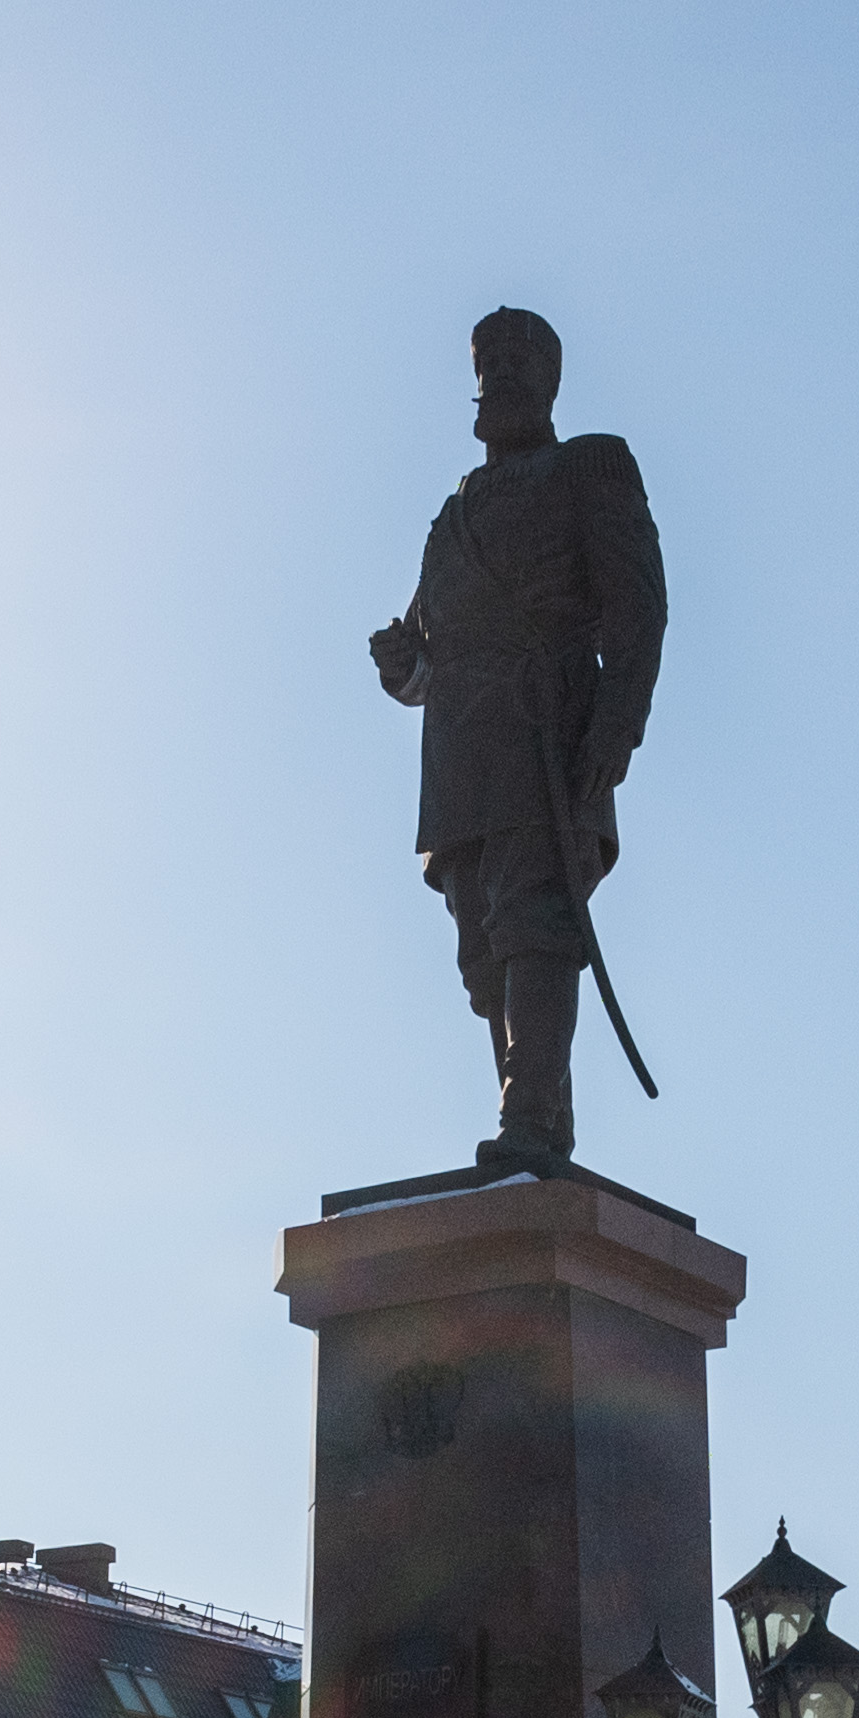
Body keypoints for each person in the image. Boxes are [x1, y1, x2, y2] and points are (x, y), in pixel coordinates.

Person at [368, 307, 664, 1165]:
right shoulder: (451, 518)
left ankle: (529, 1117)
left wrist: (617, 725)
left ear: (549, 378)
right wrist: (402, 665)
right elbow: (427, 660)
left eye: (516, 359)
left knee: (535, 923)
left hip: (549, 731)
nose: (498, 372)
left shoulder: (589, 466)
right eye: (486, 360)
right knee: (483, 955)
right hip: (462, 753)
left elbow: (638, 605)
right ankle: (536, 1120)